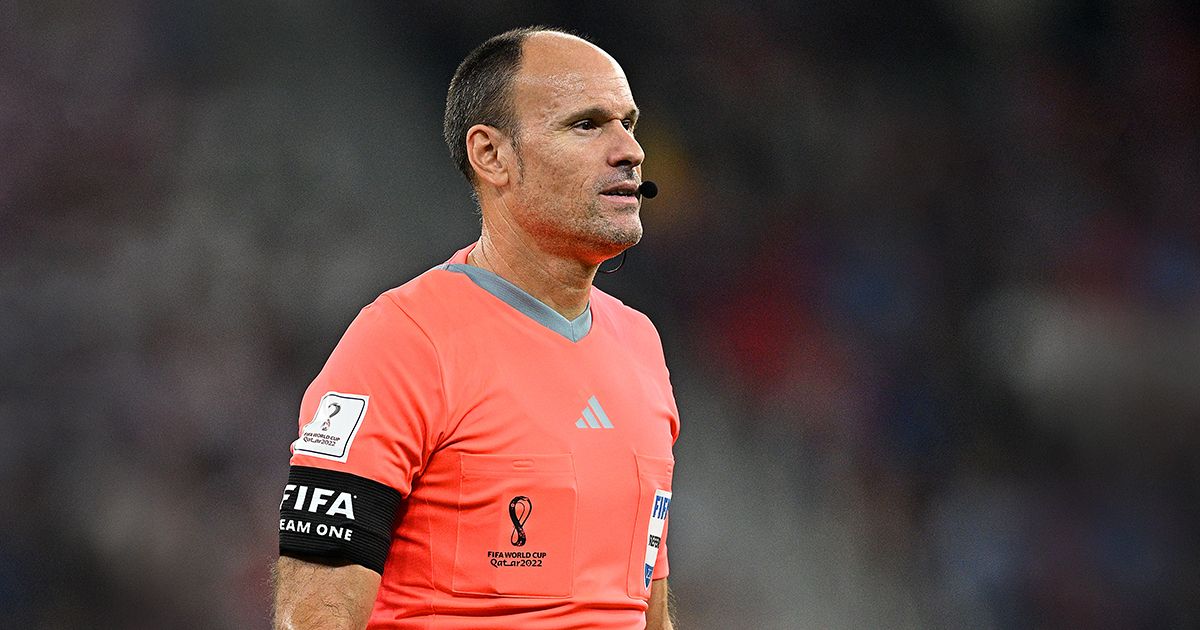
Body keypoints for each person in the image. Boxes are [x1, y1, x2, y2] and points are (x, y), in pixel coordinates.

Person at [272, 26, 680, 629]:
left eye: (629, 122)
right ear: (492, 155)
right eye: (587, 125)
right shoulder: (403, 340)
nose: (630, 149)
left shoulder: (641, 345)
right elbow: (316, 617)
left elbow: (642, 610)